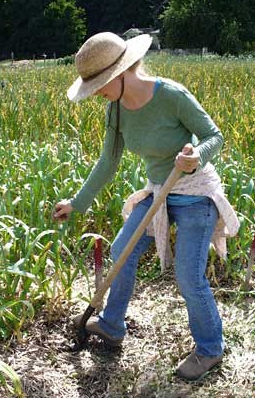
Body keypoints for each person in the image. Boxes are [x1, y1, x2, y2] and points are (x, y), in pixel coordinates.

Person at [53, 32, 239, 380]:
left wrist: (196, 156)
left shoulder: (171, 95)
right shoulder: (116, 111)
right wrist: (76, 203)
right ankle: (111, 325)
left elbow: (215, 136)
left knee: (188, 275)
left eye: (102, 84)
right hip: (159, 192)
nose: (97, 93)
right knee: (121, 249)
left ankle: (210, 349)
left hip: (197, 193)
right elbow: (108, 161)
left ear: (123, 72)